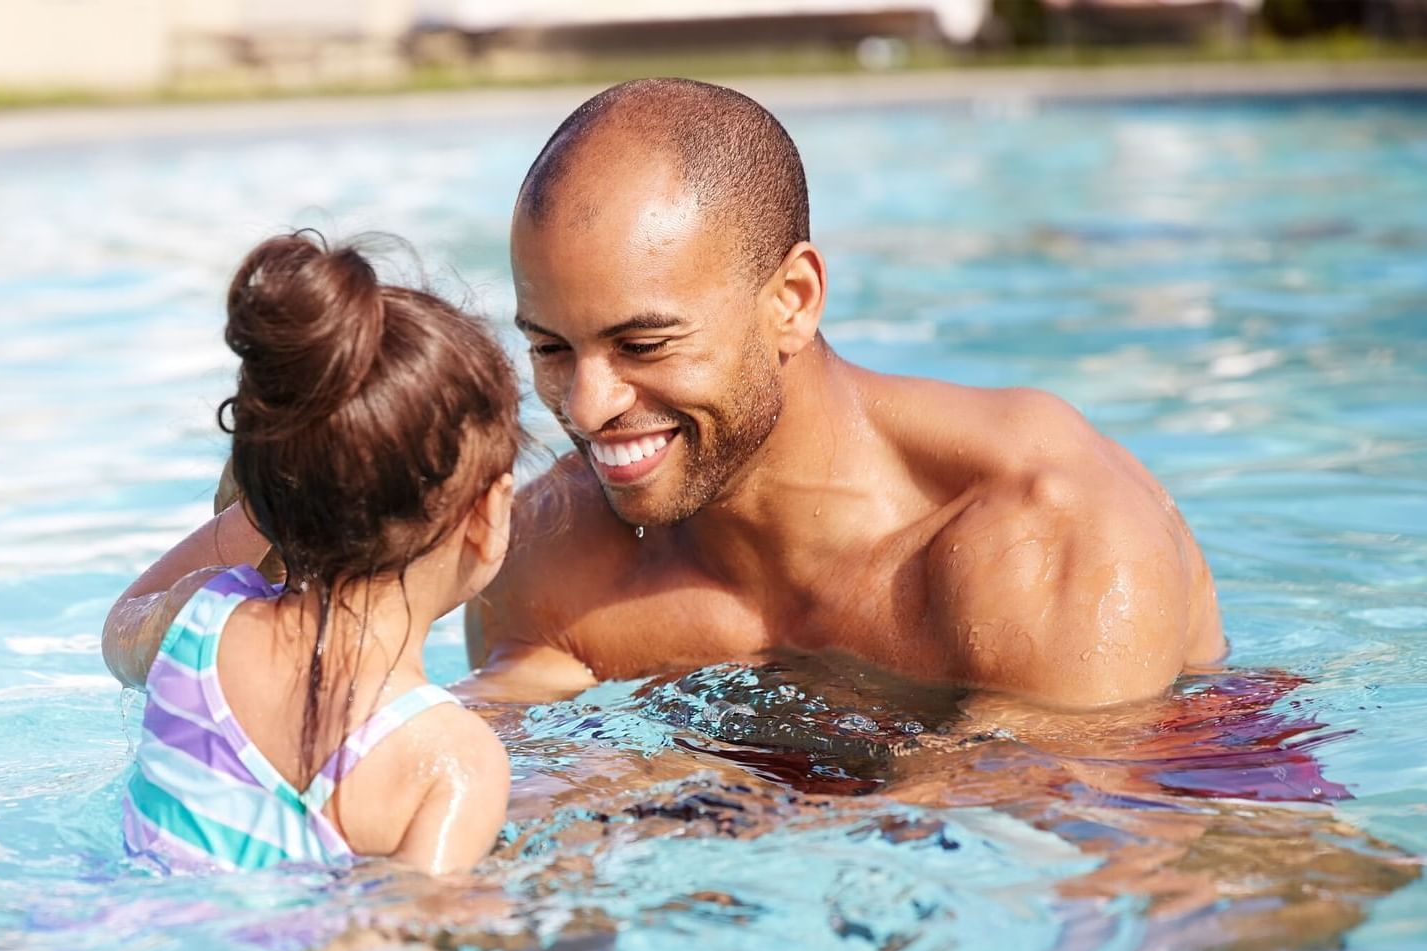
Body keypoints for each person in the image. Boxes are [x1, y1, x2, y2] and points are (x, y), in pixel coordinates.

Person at [466, 78, 1226, 711]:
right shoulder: (547, 561)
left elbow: (1063, 848)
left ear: (791, 301)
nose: (587, 406)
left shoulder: (1042, 532)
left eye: (643, 346)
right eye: (550, 348)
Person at [101, 232, 520, 875]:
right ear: (490, 515)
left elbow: (120, 628)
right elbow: (407, 932)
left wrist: (270, 498)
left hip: (103, 919)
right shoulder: (452, 760)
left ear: (269, 496)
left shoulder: (199, 623)